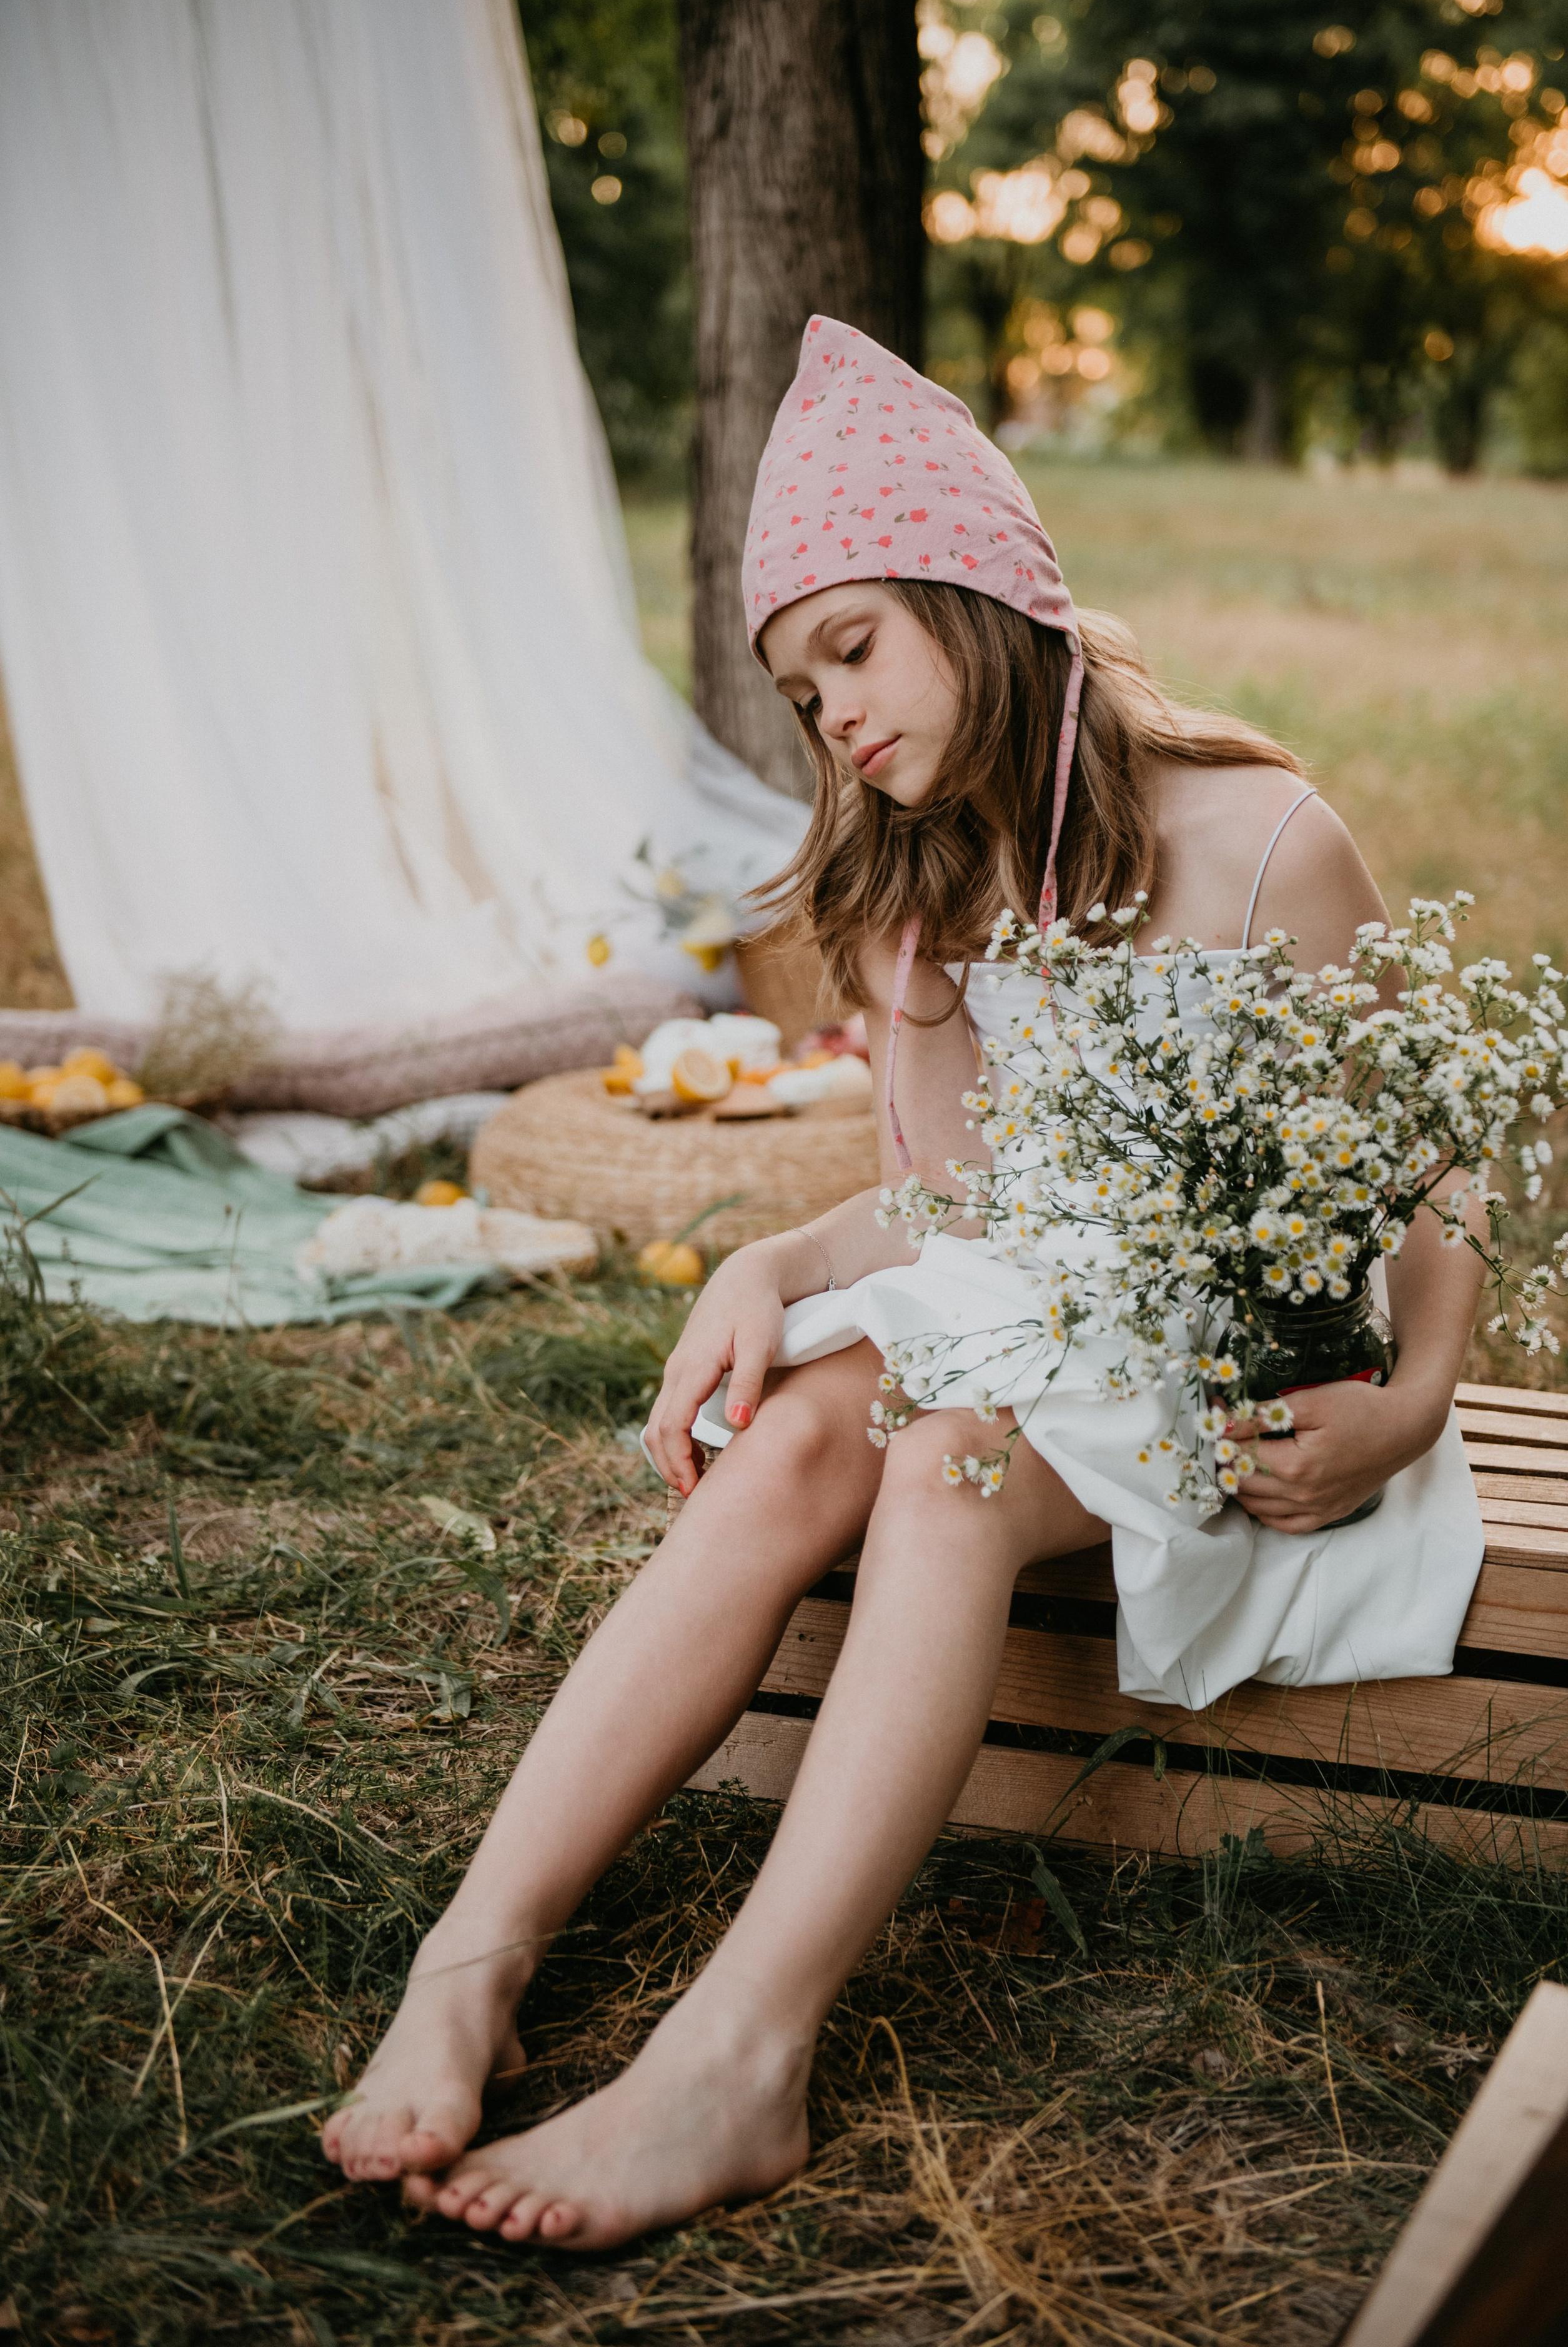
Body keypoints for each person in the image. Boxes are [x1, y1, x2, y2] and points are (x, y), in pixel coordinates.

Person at [320, 317, 1485, 2247]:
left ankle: (735, 2064)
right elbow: (952, 1217)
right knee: (790, 1442)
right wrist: (775, 1261)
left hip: (1254, 1400)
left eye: (854, 645)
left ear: (980, 588)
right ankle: (474, 1962)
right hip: (1051, 1347)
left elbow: (1429, 1181)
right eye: (800, 689)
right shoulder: (927, 889)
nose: (836, 714)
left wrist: (1408, 1403)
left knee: (947, 1438)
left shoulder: (1263, 843)